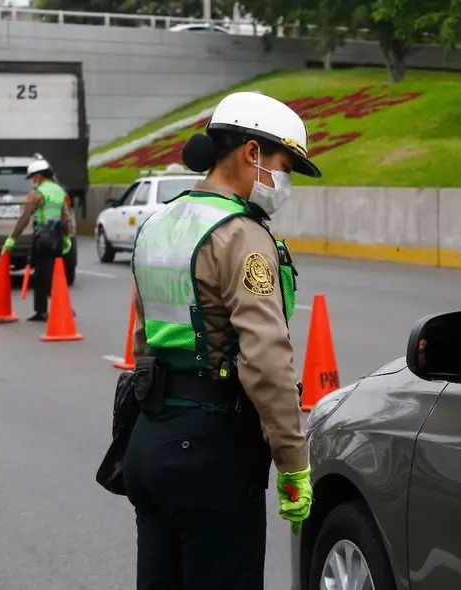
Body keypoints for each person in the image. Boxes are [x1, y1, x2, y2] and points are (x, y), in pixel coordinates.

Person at [122, 91, 318, 590]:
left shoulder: (159, 223)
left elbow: (146, 337)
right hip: (211, 452)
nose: (285, 180)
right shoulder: (241, 234)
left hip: (150, 442)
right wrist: (293, 462)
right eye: (284, 164)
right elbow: (266, 360)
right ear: (252, 153)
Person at [1, 154, 73, 322]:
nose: (32, 180)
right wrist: (67, 236)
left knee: (41, 275)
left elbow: (25, 218)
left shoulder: (37, 194)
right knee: (53, 273)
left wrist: (12, 239)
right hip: (57, 237)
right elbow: (65, 217)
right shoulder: (59, 191)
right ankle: (60, 307)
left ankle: (45, 311)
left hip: (43, 237)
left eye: (33, 176)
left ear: (40, 175)